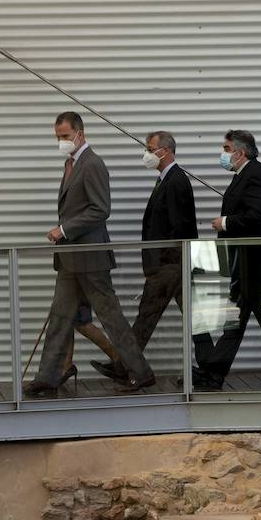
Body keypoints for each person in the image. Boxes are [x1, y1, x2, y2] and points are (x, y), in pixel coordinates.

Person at [26, 111, 155, 397]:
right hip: (72, 259)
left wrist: (64, 229)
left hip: (90, 257)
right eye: (58, 137)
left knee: (111, 317)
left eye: (65, 136)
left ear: (80, 134)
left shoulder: (92, 164)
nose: (61, 141)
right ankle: (47, 377)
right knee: (60, 317)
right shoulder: (71, 163)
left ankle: (141, 373)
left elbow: (100, 209)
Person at [92, 130, 204, 383]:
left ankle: (127, 368)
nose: (147, 154)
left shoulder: (175, 181)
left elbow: (180, 227)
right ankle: (209, 364)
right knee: (187, 317)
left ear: (166, 151)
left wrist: (165, 261)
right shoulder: (167, 179)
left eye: (151, 149)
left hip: (168, 266)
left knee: (146, 317)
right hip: (172, 265)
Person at [196, 129, 261, 391]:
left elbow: (258, 215)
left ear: (240, 152)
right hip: (246, 259)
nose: (223, 153)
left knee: (250, 316)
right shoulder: (247, 174)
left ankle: (216, 374)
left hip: (253, 259)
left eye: (226, 148)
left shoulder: (254, 175)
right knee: (246, 316)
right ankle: (216, 373)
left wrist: (226, 222)